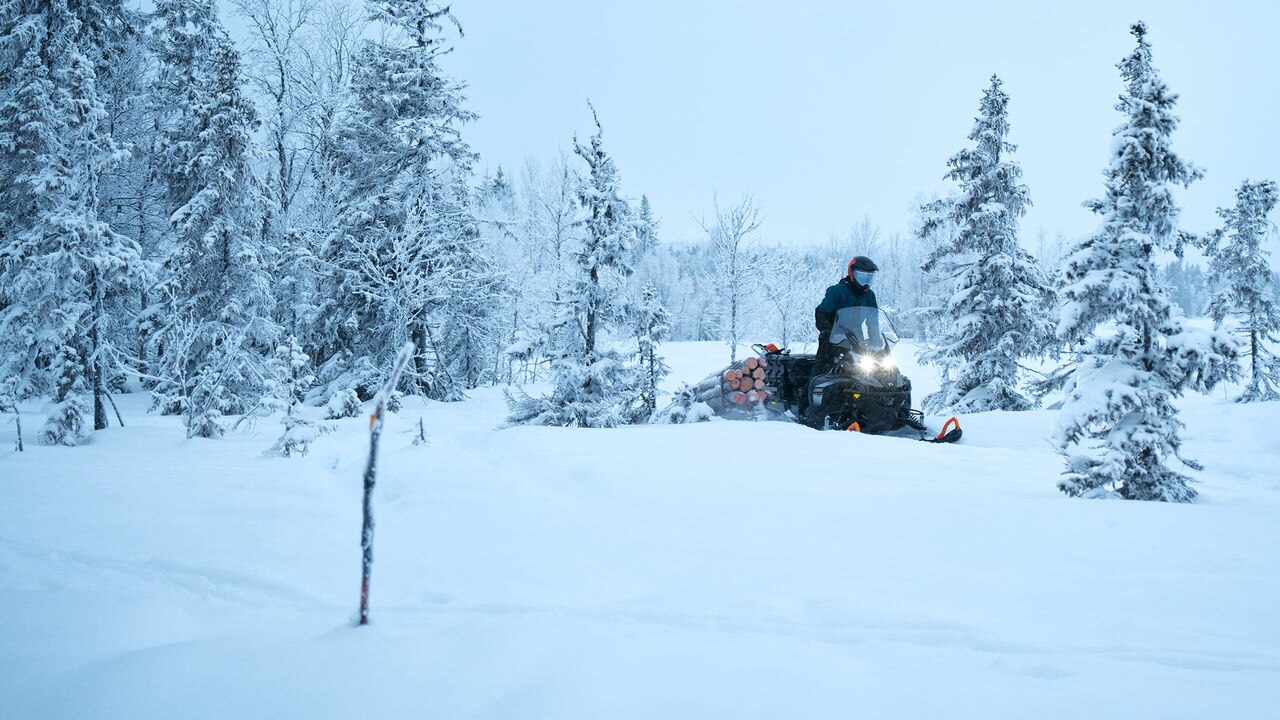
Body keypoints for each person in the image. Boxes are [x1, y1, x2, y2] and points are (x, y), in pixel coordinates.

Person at [814, 256, 879, 373]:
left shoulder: (870, 295)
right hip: (833, 338)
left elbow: (873, 320)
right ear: (852, 273)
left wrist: (876, 340)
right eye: (862, 277)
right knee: (824, 369)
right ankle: (810, 388)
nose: (866, 282)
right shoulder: (837, 291)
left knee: (868, 371)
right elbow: (821, 312)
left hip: (857, 338)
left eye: (869, 278)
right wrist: (827, 330)